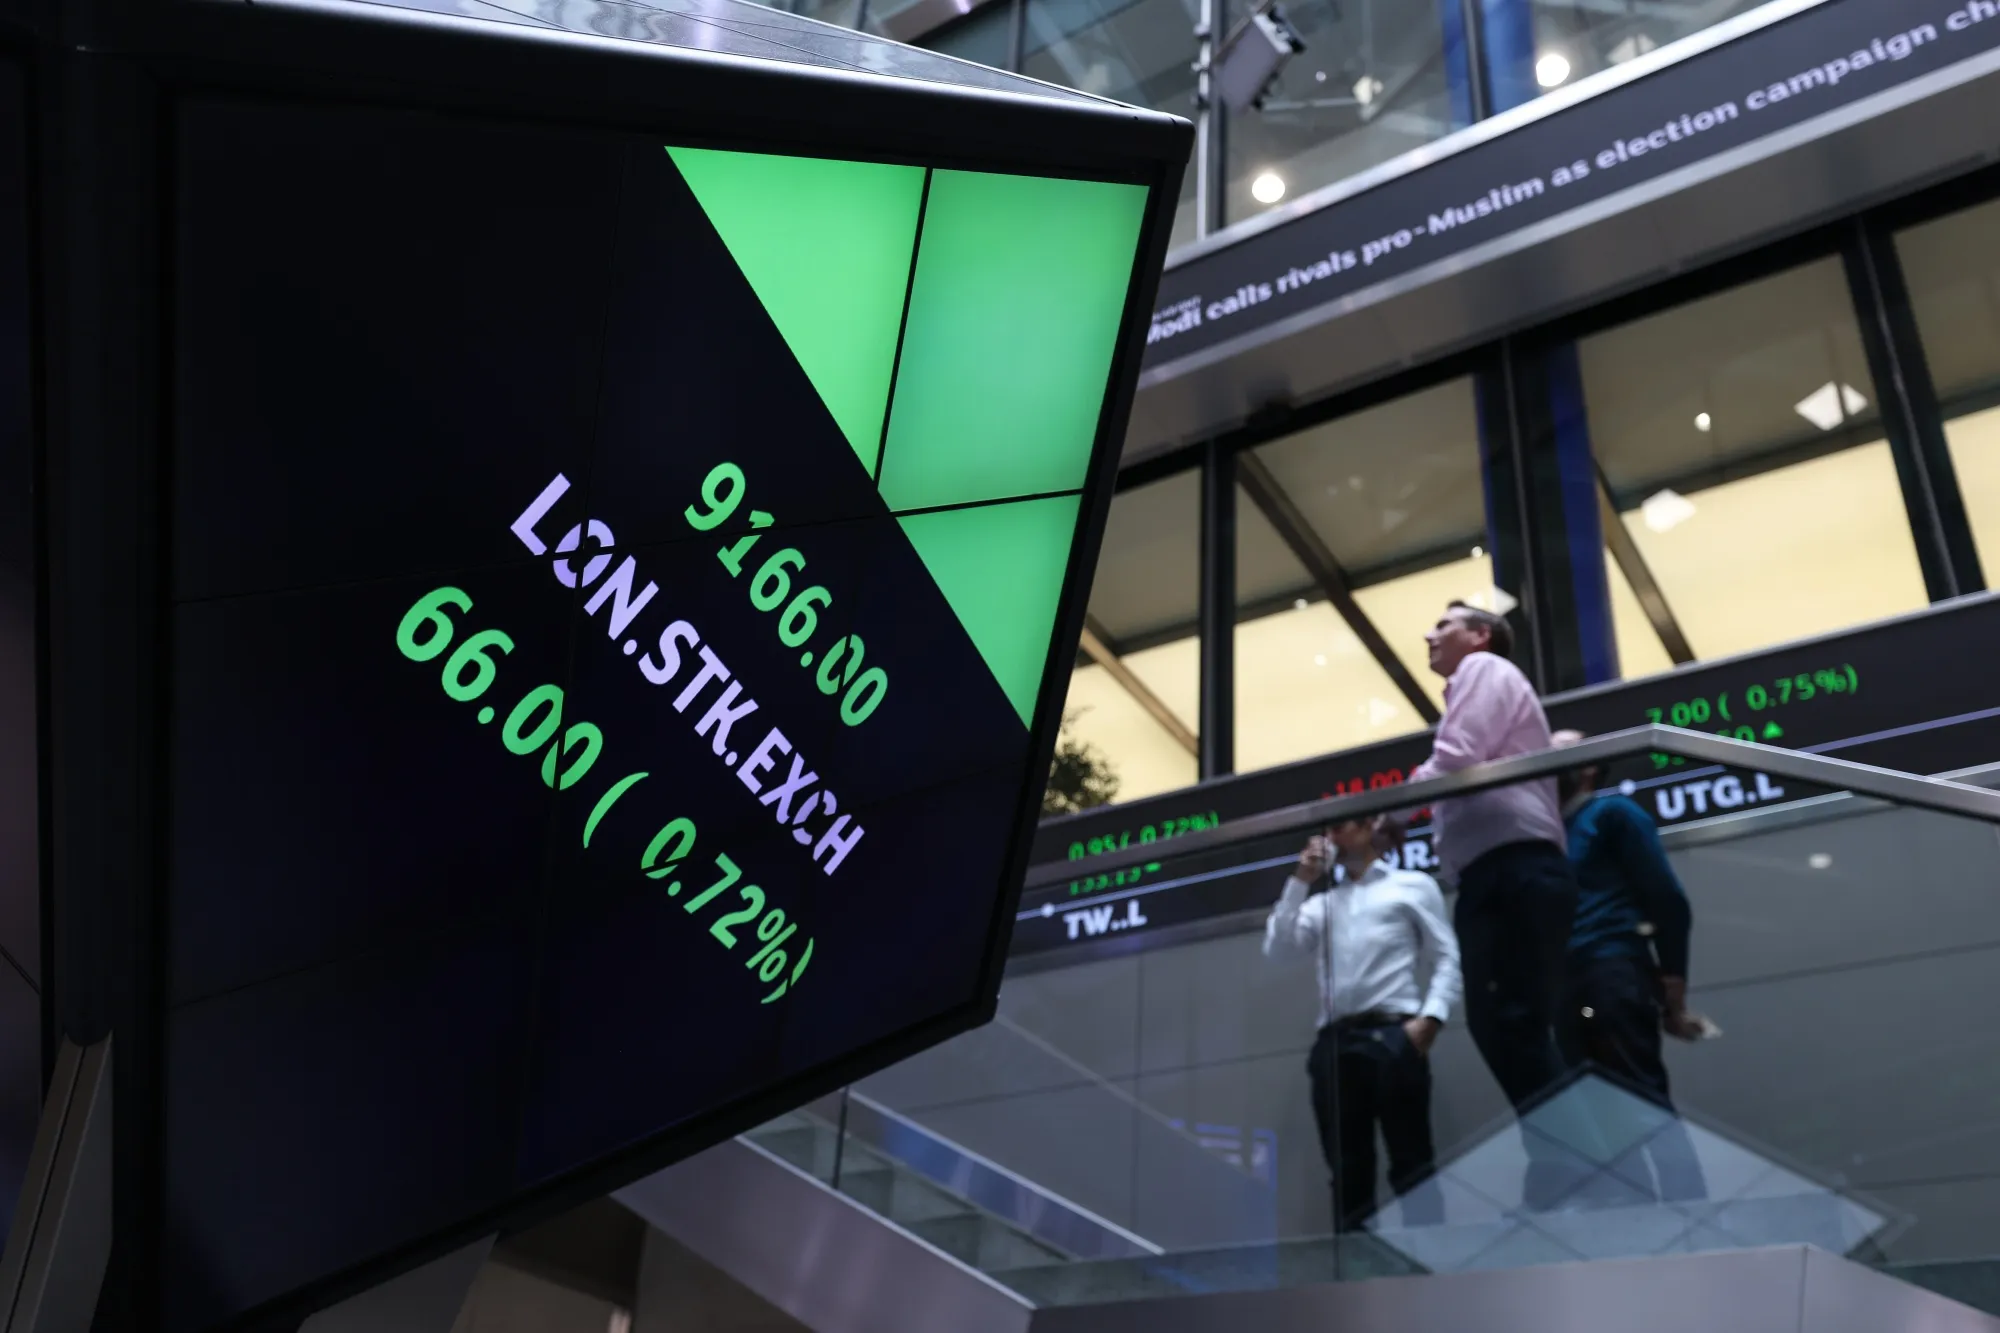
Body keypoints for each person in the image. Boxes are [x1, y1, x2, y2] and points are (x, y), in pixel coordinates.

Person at [1407, 601, 1582, 1208]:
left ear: (1480, 635)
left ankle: (1573, 1171)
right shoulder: (1482, 683)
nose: (1429, 634)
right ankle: (1567, 1170)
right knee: (1510, 1026)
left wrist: (1389, 811)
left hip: (1513, 871)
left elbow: (1455, 757)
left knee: (1509, 1024)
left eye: (1444, 624)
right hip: (1505, 873)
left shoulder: (1483, 670)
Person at [1264, 815, 1462, 1232]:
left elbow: (1446, 955)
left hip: (1395, 1033)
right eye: (1328, 827)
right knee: (1346, 1171)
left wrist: (1431, 1019)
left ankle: (1430, 1278)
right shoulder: (1322, 903)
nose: (1332, 833)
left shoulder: (1411, 885)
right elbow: (1278, 950)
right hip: (1335, 1042)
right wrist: (1301, 880)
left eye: (1343, 825)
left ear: (1372, 826)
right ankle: (1357, 1284)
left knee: (1412, 1164)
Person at [1550, 729, 1710, 1201]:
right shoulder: (1545, 834)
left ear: (1590, 767)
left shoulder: (1613, 815)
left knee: (1639, 1101)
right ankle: (1633, 1220)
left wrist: (1673, 978)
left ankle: (1688, 1220)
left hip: (1613, 970)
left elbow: (1666, 900)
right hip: (1566, 984)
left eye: (1561, 752)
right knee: (1595, 1117)